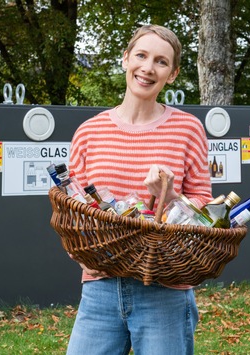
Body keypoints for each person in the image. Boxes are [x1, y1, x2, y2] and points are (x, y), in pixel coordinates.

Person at [66, 24, 213, 355]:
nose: (148, 68)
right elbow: (71, 207)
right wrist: (80, 258)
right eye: (141, 56)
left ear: (172, 75)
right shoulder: (89, 132)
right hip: (101, 286)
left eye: (161, 62)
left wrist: (172, 197)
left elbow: (206, 211)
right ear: (125, 59)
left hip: (165, 289)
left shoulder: (188, 129)